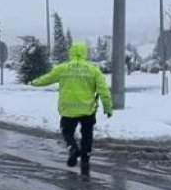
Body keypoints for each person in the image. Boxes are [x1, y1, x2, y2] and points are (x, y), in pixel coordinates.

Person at [31, 41, 113, 173]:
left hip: (68, 109)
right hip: (88, 109)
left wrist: (34, 82)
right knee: (87, 135)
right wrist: (108, 108)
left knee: (67, 132)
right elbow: (104, 91)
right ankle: (85, 158)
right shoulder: (93, 70)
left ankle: (72, 147)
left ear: (71, 52)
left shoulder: (63, 68)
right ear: (85, 53)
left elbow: (47, 78)